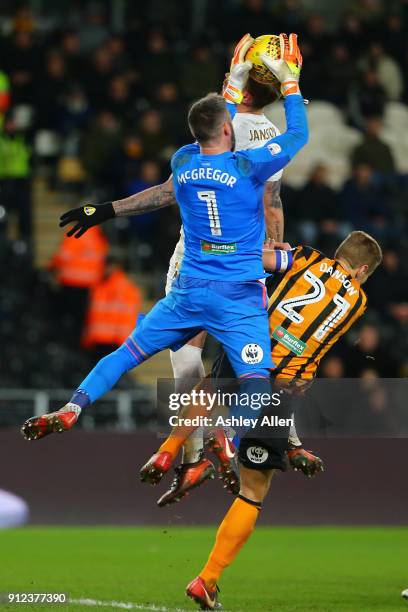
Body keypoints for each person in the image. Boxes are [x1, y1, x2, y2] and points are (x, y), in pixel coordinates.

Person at [21, 34, 308, 449]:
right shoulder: (251, 167)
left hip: (189, 289)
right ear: (230, 130)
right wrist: (290, 85)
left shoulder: (184, 162)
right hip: (237, 291)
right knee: (255, 383)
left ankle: (75, 406)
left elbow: (190, 158)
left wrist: (103, 210)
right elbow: (296, 138)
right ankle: (225, 437)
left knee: (127, 355)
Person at [140, 230, 382, 609]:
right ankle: (208, 579)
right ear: (364, 269)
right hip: (285, 381)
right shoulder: (359, 301)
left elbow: (257, 264)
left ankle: (169, 450)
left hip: (249, 345)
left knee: (208, 390)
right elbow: (319, 333)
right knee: (252, 491)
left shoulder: (304, 256)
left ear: (339, 252)